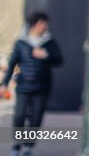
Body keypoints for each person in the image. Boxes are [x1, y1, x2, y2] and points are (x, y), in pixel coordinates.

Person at [1, 11, 64, 156]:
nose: (45, 26)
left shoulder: (49, 42)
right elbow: (11, 64)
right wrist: (4, 84)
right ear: (34, 24)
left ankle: (28, 146)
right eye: (42, 23)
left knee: (36, 118)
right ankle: (17, 144)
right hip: (23, 87)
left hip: (42, 88)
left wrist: (46, 55)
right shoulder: (21, 43)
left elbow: (59, 60)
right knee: (19, 116)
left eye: (46, 24)